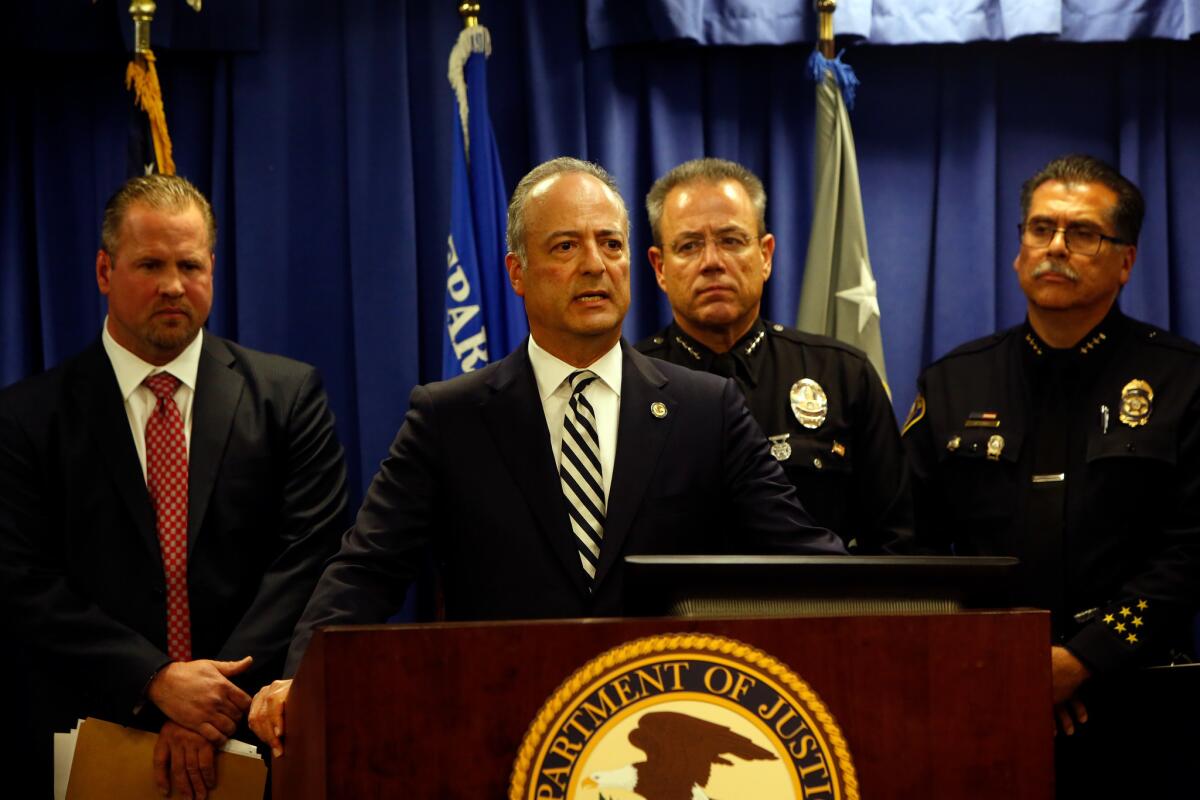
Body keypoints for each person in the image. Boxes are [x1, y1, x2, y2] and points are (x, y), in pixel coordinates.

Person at [248, 157, 845, 755]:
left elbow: (798, 559)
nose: (595, 264)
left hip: (662, 731)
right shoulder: (450, 417)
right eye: (565, 246)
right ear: (517, 271)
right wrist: (305, 677)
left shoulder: (706, 409)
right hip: (505, 731)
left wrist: (903, 607)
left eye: (611, 243)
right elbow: (367, 570)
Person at [0, 174, 349, 799]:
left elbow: (308, 561)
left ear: (212, 267)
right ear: (104, 270)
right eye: (149, 264)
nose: (171, 285)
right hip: (89, 733)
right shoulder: (25, 418)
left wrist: (210, 704)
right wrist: (154, 680)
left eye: (189, 264)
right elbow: (23, 582)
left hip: (253, 739)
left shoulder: (288, 398)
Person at [903, 154, 1200, 794]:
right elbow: (911, 543)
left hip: (1139, 697)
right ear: (1018, 252)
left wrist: (1083, 659)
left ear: (1126, 261)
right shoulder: (955, 381)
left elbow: (1193, 549)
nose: (1055, 247)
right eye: (1040, 229)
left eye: (1083, 233)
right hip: (981, 692)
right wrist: (1004, 661)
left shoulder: (1184, 380)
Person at [636, 158, 912, 553]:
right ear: (660, 267)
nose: (712, 262)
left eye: (731, 240)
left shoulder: (844, 376)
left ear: (765, 255)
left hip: (818, 611)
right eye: (689, 245)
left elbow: (895, 543)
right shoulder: (627, 384)